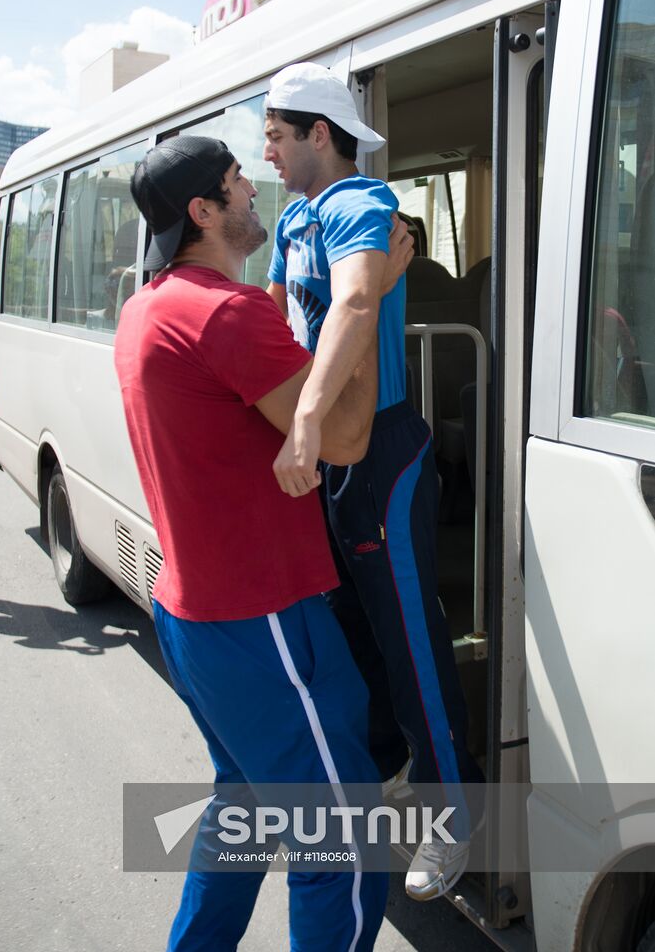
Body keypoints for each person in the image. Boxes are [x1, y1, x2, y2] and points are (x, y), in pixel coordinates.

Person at [114, 135, 412, 951]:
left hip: (199, 615)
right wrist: (372, 295)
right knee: (342, 848)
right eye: (236, 183)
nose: (255, 190)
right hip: (264, 622)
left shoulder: (148, 305)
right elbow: (346, 437)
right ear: (203, 212)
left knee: (242, 812)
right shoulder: (227, 313)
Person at [263, 62, 485, 901]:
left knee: (409, 638)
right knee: (347, 628)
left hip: (379, 452)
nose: (271, 155)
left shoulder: (363, 205)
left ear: (320, 133)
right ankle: (393, 767)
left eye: (280, 138)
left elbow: (354, 306)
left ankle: (454, 811)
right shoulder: (296, 219)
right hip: (325, 454)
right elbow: (284, 316)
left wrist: (308, 422)